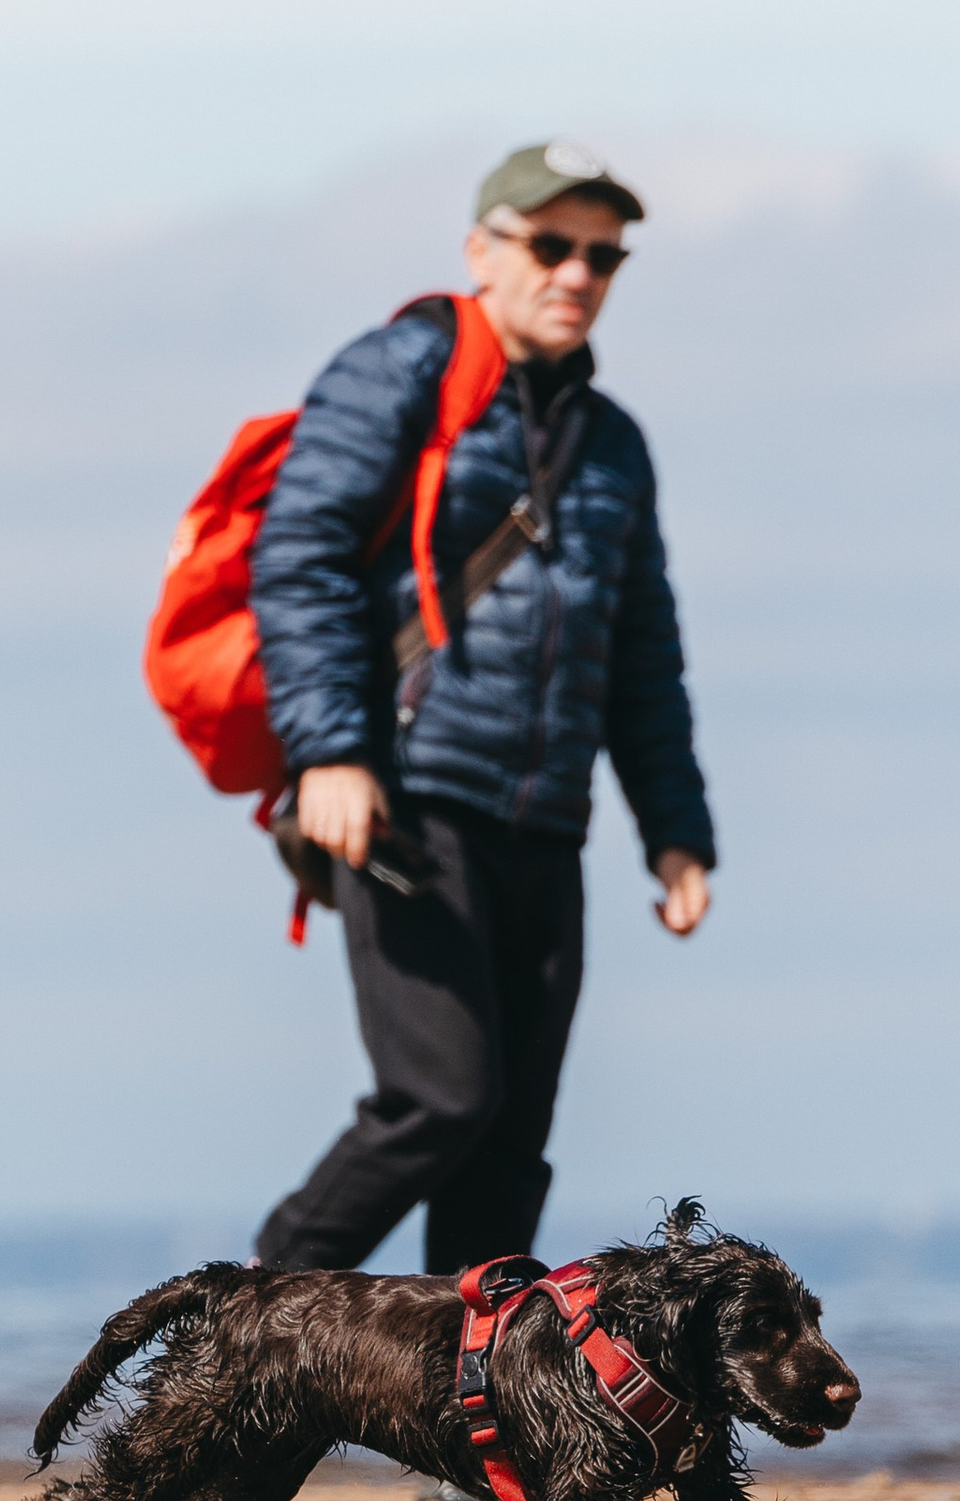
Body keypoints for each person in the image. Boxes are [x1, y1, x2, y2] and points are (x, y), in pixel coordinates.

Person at [250, 142, 715, 1276]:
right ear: (481, 251)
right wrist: (330, 755)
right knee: (438, 1101)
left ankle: (470, 1435)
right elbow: (297, 554)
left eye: (603, 256)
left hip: (545, 825)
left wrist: (674, 830)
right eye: (550, 245)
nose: (577, 274)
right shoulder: (398, 371)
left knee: (509, 1150)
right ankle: (234, 1342)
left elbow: (639, 649)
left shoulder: (612, 445)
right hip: (408, 802)